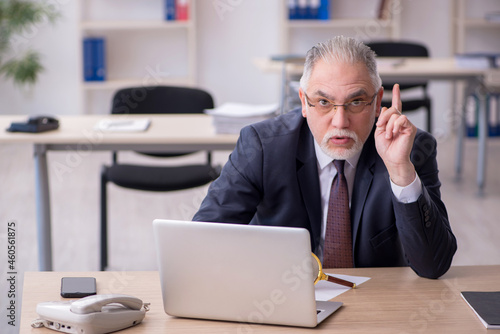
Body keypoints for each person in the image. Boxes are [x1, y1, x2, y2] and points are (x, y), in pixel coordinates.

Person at [193, 36, 456, 279]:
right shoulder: (262, 147)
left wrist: (400, 171)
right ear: (304, 103)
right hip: (279, 298)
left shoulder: (410, 147)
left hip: (374, 302)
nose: (340, 122)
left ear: (377, 104)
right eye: (323, 102)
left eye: (356, 102)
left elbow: (433, 265)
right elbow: (202, 243)